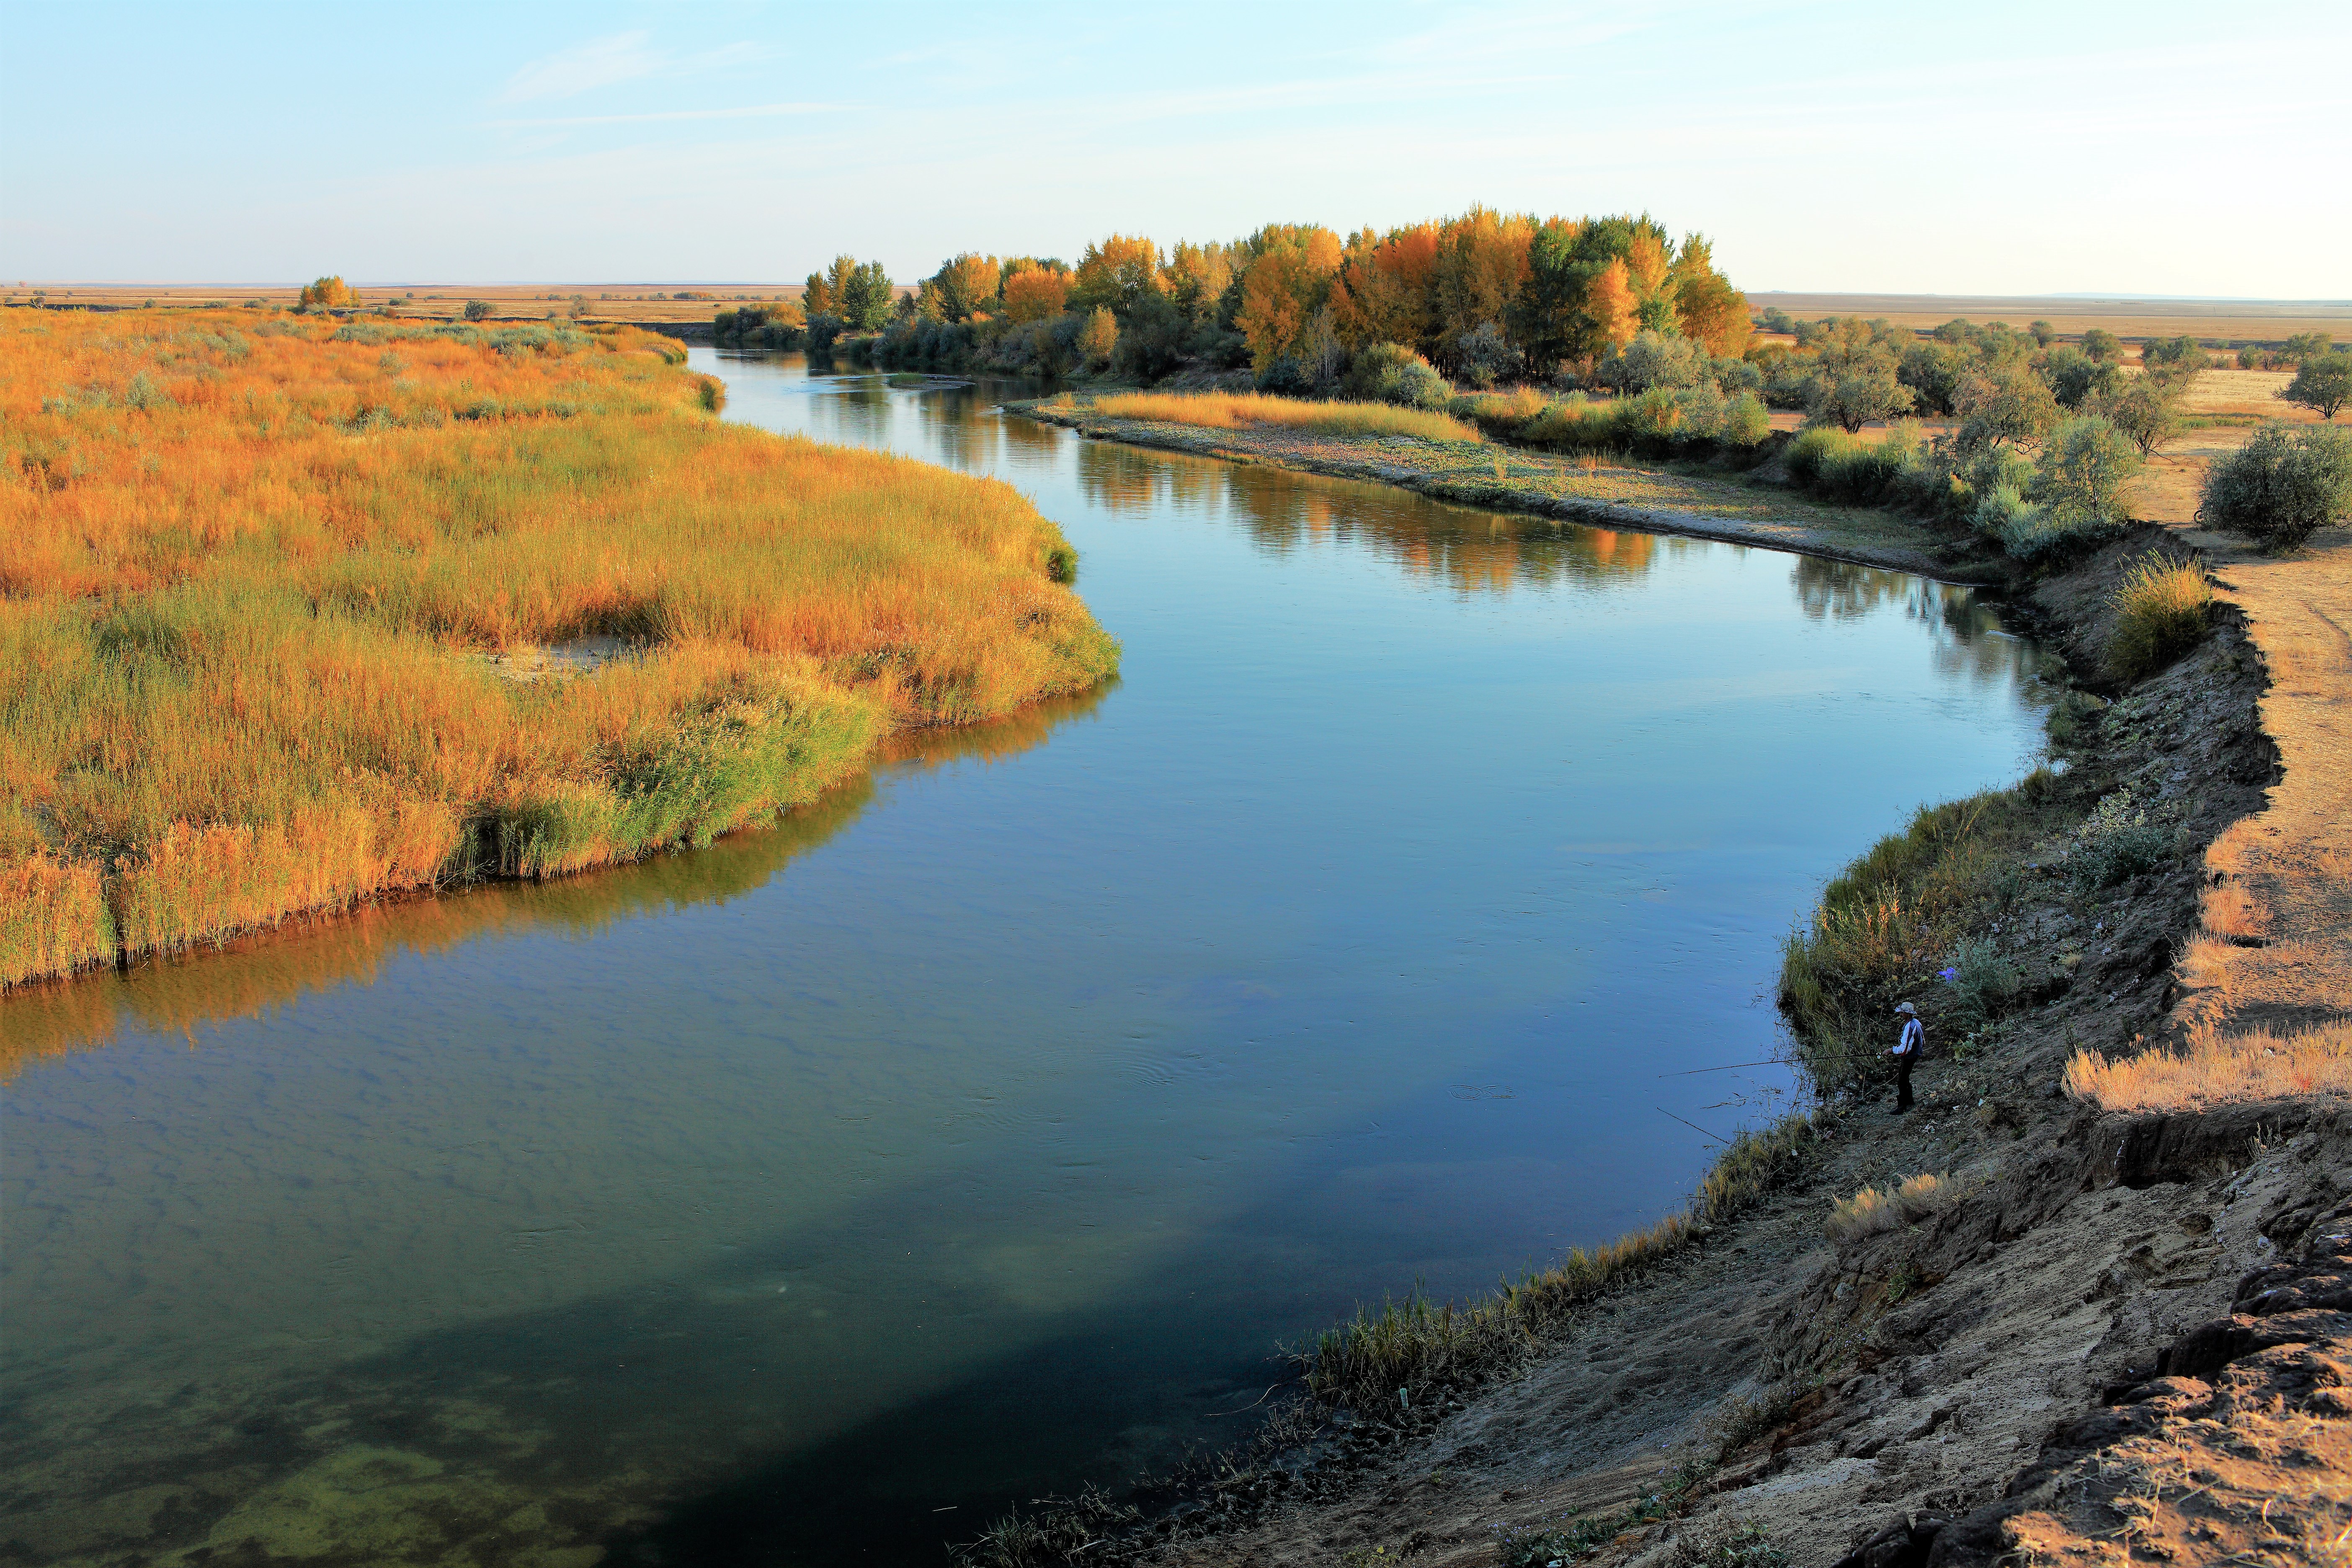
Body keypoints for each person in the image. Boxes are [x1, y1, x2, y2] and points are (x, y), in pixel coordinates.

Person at [1891, 1002, 1924, 1112]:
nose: (1901, 1014)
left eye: (1903, 1013)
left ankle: (1902, 1107)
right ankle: (1910, 1101)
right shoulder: (1916, 1022)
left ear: (1908, 1014)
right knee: (1905, 1078)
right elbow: (1923, 1041)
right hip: (1914, 1054)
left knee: (1902, 1081)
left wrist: (1891, 1050)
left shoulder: (1910, 1027)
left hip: (1910, 1057)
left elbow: (1905, 1049)